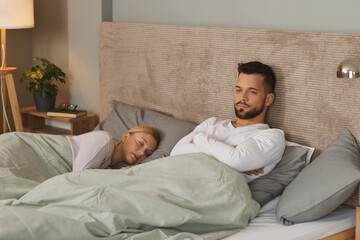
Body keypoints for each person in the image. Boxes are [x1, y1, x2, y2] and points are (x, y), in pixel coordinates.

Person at [170, 61, 285, 182]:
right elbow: (176, 152)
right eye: (239, 90)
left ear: (268, 99)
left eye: (251, 92)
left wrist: (199, 139)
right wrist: (229, 156)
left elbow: (236, 160)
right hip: (174, 179)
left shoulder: (272, 137)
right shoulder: (212, 123)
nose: (242, 98)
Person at [68, 126, 160, 171]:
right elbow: (79, 176)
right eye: (140, 143)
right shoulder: (104, 139)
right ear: (125, 136)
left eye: (148, 153)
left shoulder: (107, 169)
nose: (142, 153)